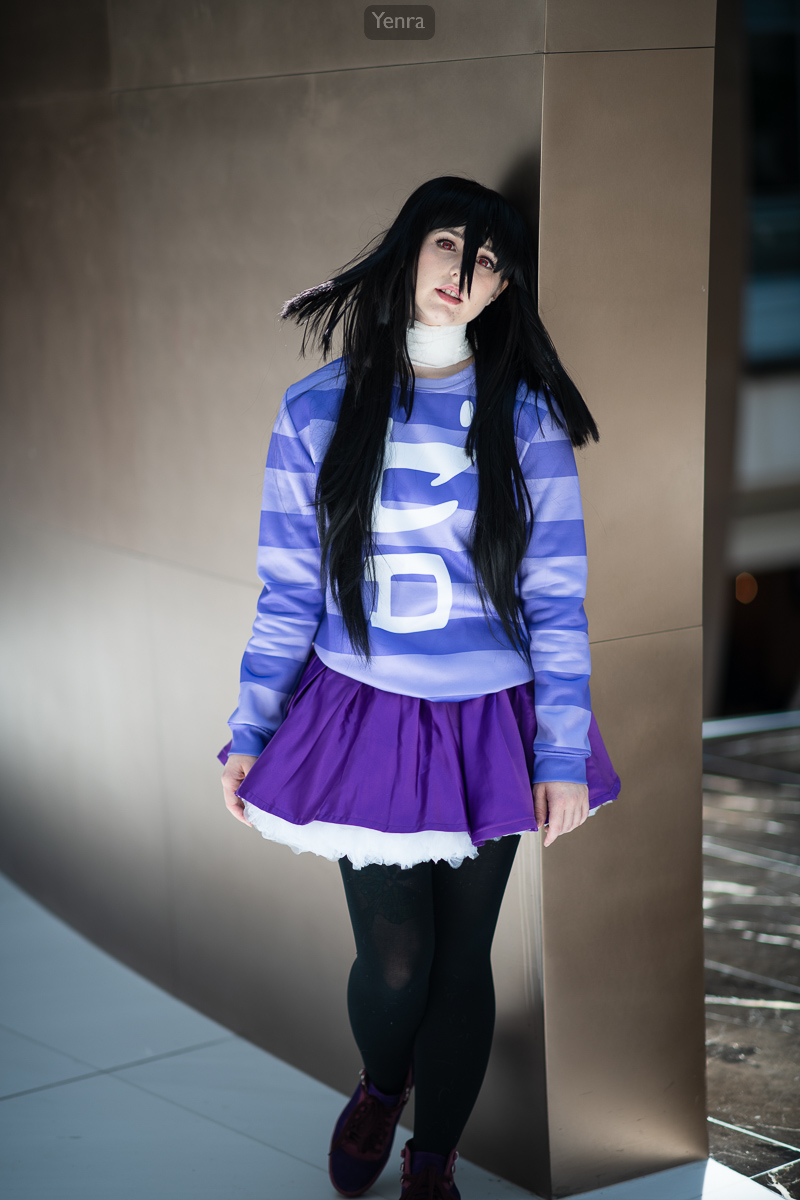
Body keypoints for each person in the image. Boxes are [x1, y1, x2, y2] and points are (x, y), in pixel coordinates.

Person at [219, 175, 620, 1200]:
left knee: (457, 969)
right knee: (396, 963)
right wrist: (249, 727)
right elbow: (285, 591)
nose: (463, 272)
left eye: (487, 261)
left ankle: (431, 1161)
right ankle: (378, 1086)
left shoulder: (522, 419)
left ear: (499, 292)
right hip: (364, 715)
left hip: (490, 719)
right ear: (406, 251)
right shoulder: (315, 409)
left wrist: (561, 753)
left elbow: (557, 602)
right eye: (448, 243)